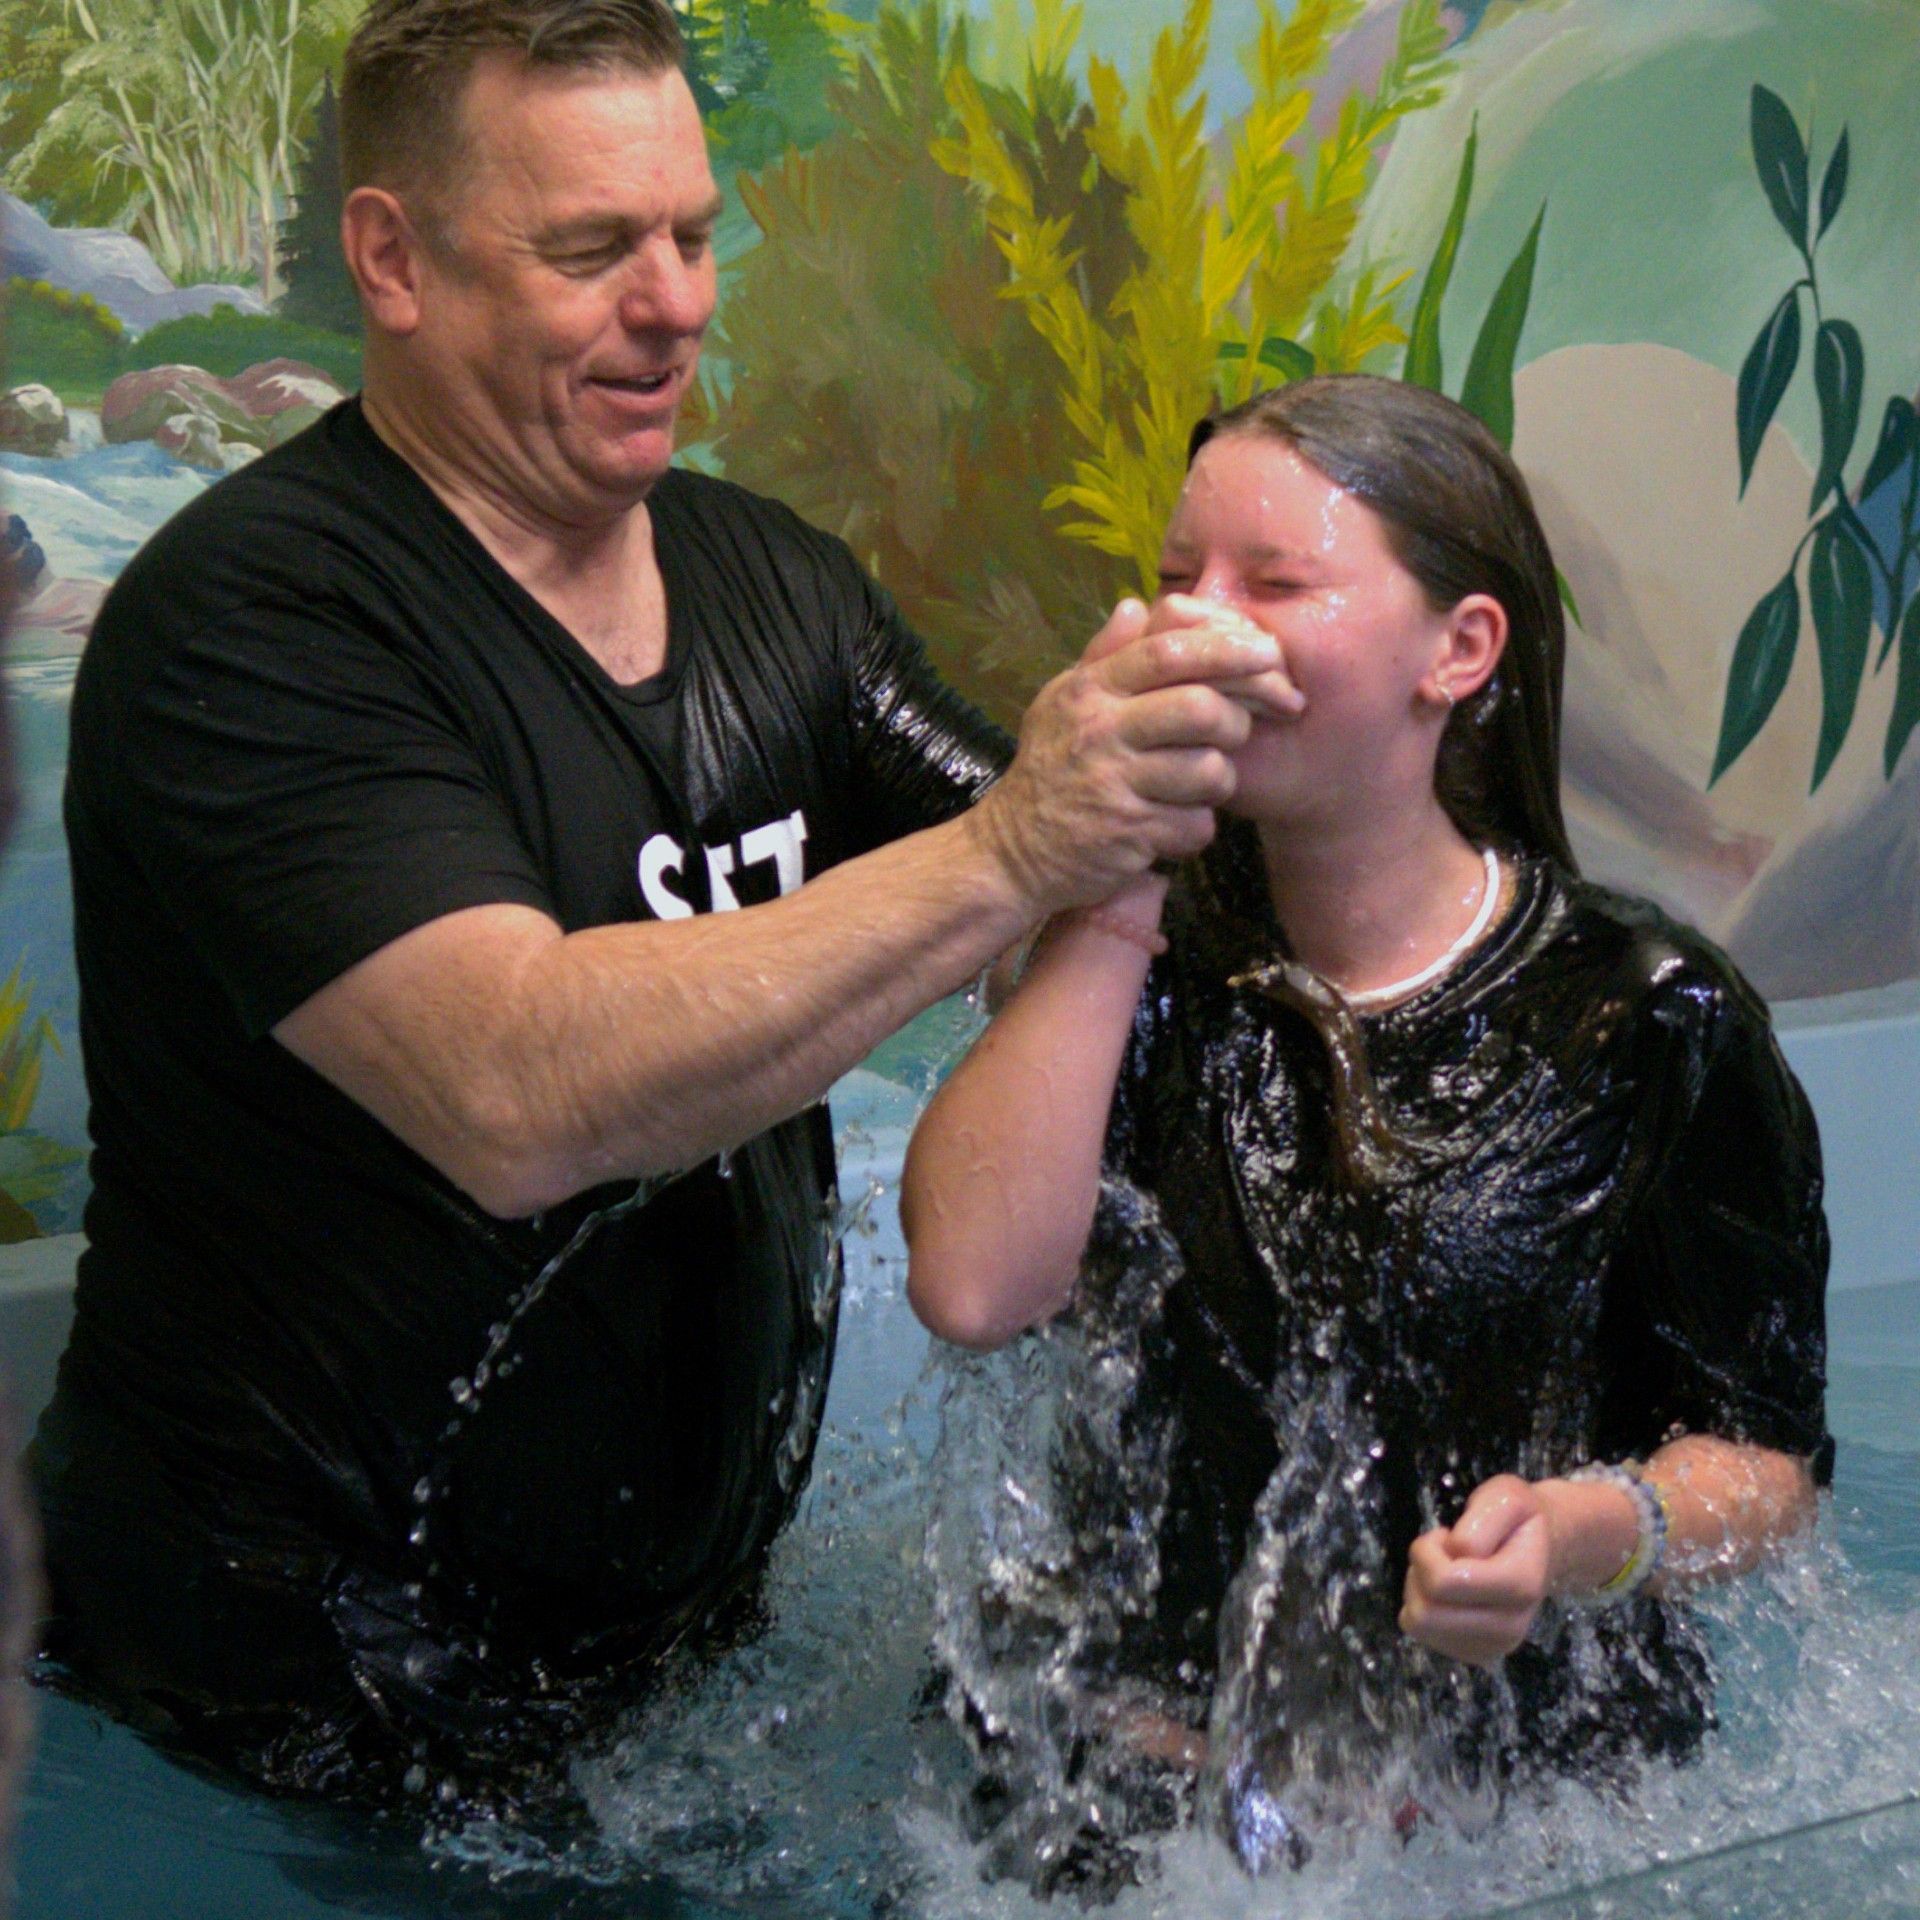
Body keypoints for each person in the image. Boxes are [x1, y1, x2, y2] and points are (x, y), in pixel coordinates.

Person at [26, 0, 1301, 1798]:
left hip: (662, 1658)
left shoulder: (768, 582)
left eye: (693, 235)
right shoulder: (254, 628)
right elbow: (517, 1091)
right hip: (296, 1686)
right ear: (393, 259)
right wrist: (1026, 845)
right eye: (591, 249)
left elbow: (1049, 888)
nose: (677, 300)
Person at [902, 375, 1831, 1876]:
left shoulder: (1650, 1017)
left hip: (1513, 1818)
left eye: (1273, 585)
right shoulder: (1124, 963)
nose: (1199, 628)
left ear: (1457, 652)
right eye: (1176, 582)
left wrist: (1585, 1527)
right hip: (1133, 1793)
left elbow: (1771, 1462)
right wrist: (1123, 875)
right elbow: (969, 1286)